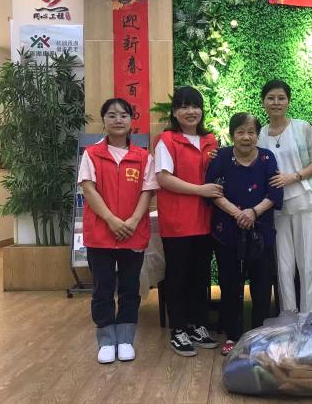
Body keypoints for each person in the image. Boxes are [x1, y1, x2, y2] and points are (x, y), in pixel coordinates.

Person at [79, 98, 158, 364]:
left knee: (129, 288)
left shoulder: (143, 157)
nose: (118, 120)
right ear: (103, 121)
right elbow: (88, 189)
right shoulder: (92, 154)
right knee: (102, 289)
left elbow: (147, 191)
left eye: (123, 115)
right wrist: (112, 220)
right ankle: (105, 340)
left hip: (133, 233)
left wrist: (133, 221)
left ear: (131, 121)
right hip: (100, 234)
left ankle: (125, 339)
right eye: (111, 115)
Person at [206, 113, 283, 356]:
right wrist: (238, 213)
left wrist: (253, 212)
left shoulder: (267, 157)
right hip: (227, 232)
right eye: (240, 132)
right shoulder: (221, 157)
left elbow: (275, 193)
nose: (246, 137)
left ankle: (260, 335)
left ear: (257, 135)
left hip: (260, 231)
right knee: (230, 285)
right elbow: (213, 191)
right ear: (232, 135)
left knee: (262, 285)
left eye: (251, 132)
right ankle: (233, 335)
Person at [155, 86, 222, 356]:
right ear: (174, 112)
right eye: (183, 106)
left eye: (195, 106)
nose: (190, 111)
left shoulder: (211, 141)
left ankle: (198, 324)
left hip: (205, 220)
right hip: (178, 221)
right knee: (178, 276)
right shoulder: (167, 140)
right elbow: (163, 178)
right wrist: (200, 190)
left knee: (200, 275)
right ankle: (179, 329)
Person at [257, 80, 312, 314]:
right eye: (271, 98)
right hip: (276, 207)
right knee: (284, 266)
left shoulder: (302, 127)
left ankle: (309, 318)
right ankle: (288, 316)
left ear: (288, 101)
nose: (276, 102)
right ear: (263, 102)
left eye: (281, 98)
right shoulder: (260, 134)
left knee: (307, 265)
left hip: (306, 202)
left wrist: (294, 177)